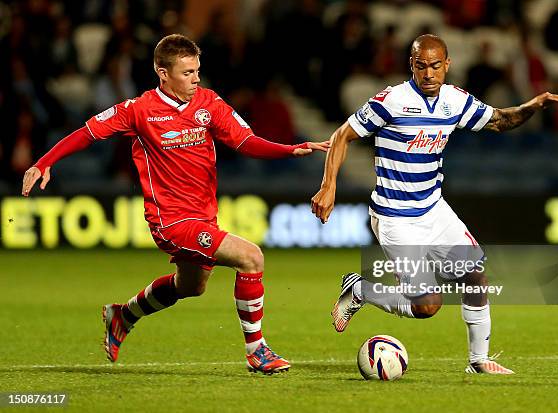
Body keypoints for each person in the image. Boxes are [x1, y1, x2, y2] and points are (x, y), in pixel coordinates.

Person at [22, 34, 329, 374]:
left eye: (197, 71)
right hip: (170, 221)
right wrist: (44, 162)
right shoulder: (138, 111)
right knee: (250, 257)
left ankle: (122, 315)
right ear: (162, 74)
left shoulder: (209, 103)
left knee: (191, 286)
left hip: (203, 218)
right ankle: (257, 351)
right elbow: (87, 133)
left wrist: (289, 149)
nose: (195, 79)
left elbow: (245, 141)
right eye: (186, 73)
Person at [311, 34, 558, 375]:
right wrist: (328, 186)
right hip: (395, 216)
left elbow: (498, 121)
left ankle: (478, 360)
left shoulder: (455, 100)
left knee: (475, 275)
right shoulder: (392, 100)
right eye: (421, 66)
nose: (429, 74)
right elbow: (343, 134)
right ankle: (360, 289)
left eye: (436, 66)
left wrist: (532, 107)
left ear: (447, 65)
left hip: (434, 208)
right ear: (412, 66)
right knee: (427, 306)